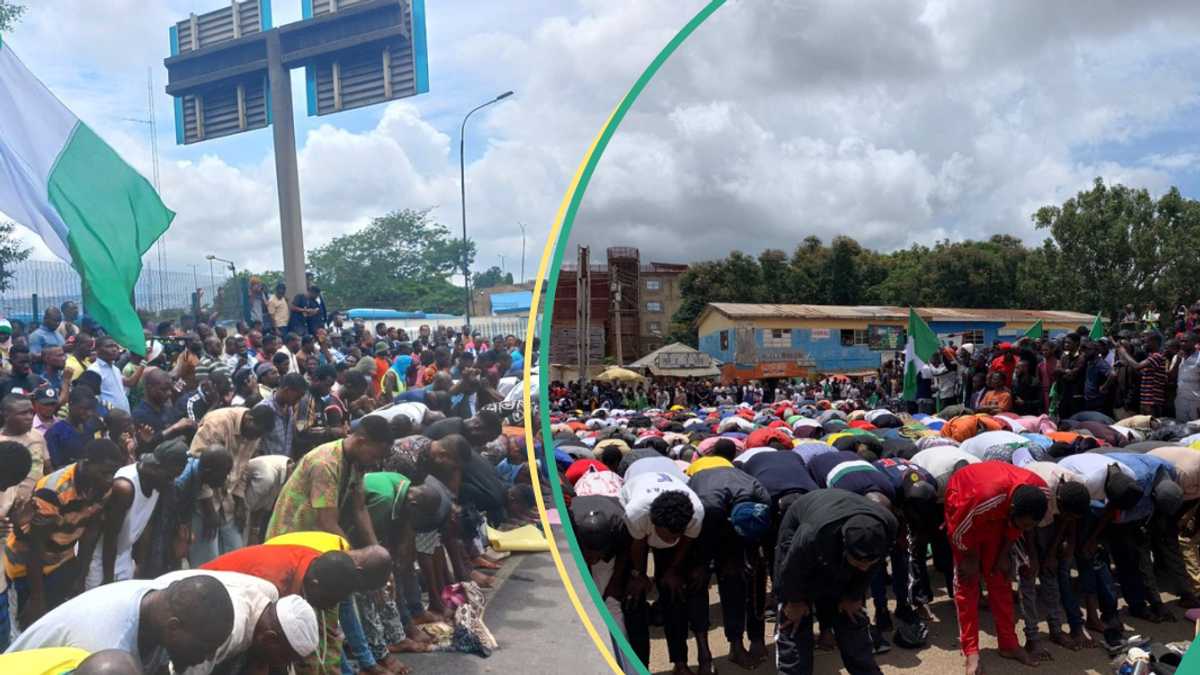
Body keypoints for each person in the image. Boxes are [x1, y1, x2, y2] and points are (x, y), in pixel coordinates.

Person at [774, 488, 898, 675]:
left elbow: (871, 567)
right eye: (858, 562)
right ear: (844, 548)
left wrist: (853, 595)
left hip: (837, 520)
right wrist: (795, 601)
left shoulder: (888, 526)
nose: (864, 568)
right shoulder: (811, 535)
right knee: (794, 622)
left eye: (868, 562)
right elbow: (790, 569)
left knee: (851, 615)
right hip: (805, 520)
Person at [3, 439, 125, 627]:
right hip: (27, 568)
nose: (110, 479)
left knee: (53, 623)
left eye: (113, 472)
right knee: (27, 627)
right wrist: (37, 599)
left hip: (61, 561)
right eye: (104, 472)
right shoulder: (52, 490)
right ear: (86, 463)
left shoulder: (103, 487)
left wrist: (81, 576)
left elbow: (90, 532)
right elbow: (34, 547)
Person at [7, 575, 236, 674]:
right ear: (174, 628)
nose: (208, 657)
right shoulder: (103, 655)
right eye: (205, 648)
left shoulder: (160, 603)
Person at [944, 461, 1049, 673]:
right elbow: (957, 529)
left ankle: (1009, 644)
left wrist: (1004, 554)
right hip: (966, 506)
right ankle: (971, 651)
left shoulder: (1040, 492)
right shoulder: (983, 499)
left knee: (1000, 577)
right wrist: (970, 557)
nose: (1027, 529)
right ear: (1012, 510)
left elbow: (1018, 526)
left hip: (999, 511)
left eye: (1031, 525)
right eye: (1025, 524)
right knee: (968, 583)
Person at [620, 456, 705, 675]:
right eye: (666, 535)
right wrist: (638, 575)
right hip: (637, 475)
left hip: (671, 474)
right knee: (634, 595)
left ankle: (680, 662)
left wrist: (673, 570)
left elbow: (686, 541)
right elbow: (637, 544)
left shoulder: (695, 512)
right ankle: (640, 666)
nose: (670, 540)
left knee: (674, 591)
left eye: (676, 534)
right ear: (654, 523)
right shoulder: (636, 513)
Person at [153, 569, 319, 675]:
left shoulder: (270, 595)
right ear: (269, 638)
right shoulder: (228, 631)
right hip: (161, 624)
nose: (285, 665)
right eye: (284, 658)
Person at [264, 415, 393, 542]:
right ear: (360, 442)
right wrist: (350, 555)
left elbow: (360, 508)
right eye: (374, 456)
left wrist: (374, 545)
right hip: (289, 537)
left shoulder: (357, 462)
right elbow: (327, 523)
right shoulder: (325, 463)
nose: (375, 462)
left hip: (313, 536)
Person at [85, 443, 188, 589]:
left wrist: (140, 563)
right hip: (100, 558)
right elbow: (110, 537)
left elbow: (146, 525)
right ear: (155, 468)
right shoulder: (125, 488)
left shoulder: (158, 483)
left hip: (123, 556)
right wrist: (108, 581)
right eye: (170, 476)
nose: (171, 482)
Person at [187, 405, 276, 566]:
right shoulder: (217, 424)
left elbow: (243, 466)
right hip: (204, 499)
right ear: (249, 420)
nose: (256, 438)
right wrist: (208, 510)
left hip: (228, 498)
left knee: (237, 554)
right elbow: (198, 468)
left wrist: (240, 501)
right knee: (207, 560)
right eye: (257, 433)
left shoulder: (255, 431)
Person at [256, 372, 307, 458]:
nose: (298, 401)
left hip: (285, 464)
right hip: (269, 466)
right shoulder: (264, 409)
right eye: (297, 397)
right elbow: (254, 446)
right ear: (287, 391)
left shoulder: (289, 407)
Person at [87, 336, 131, 413]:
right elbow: (93, 400)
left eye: (115, 346)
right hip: (109, 419)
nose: (114, 349)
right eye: (109, 346)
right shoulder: (94, 370)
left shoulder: (116, 369)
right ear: (97, 350)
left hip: (123, 417)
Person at [28, 307, 66, 371]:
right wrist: (52, 355)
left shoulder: (58, 334)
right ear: (45, 319)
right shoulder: (37, 336)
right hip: (44, 374)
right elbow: (33, 358)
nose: (57, 323)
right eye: (55, 320)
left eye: (59, 321)